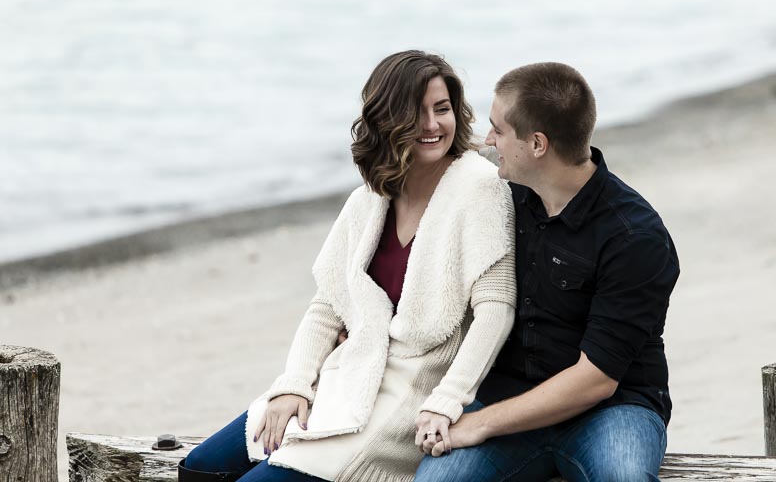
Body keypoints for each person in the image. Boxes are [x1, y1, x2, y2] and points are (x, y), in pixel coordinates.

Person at [178, 50, 517, 482]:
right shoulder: (369, 199)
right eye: (416, 113)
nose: (433, 126)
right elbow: (326, 307)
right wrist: (294, 385)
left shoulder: (479, 188)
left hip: (410, 397)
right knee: (199, 468)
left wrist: (447, 400)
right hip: (348, 374)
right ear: (387, 119)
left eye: (442, 109)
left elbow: (496, 309)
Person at [415, 62, 679, 482]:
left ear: (537, 144)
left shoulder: (634, 236)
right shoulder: (502, 199)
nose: (488, 141)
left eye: (498, 130)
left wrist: (481, 423)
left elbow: (596, 380)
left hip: (612, 411)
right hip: (506, 396)